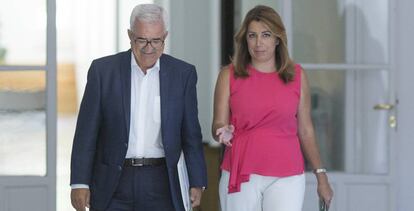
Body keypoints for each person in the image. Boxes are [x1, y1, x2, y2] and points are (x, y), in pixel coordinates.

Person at [70, 4, 207, 211]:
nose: (148, 47)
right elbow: (86, 132)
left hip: (162, 181)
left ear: (165, 37)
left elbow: (191, 134)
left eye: (156, 40)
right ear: (130, 35)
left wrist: (197, 180)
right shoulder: (103, 71)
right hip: (113, 181)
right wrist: (80, 182)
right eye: (141, 39)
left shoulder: (183, 74)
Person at [212, 5, 333, 211]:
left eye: (266, 35)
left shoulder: (297, 75)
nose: (259, 43)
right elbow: (218, 124)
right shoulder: (228, 75)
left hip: (287, 174)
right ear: (245, 39)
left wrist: (321, 176)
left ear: (277, 39)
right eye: (252, 35)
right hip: (241, 170)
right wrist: (223, 130)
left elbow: (306, 130)